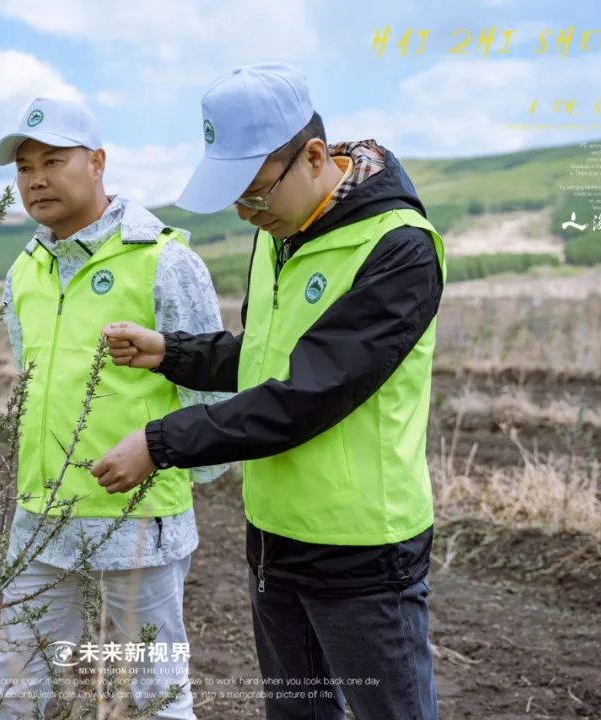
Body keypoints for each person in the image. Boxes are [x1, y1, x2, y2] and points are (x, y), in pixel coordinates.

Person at [93, 63, 444, 720]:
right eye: (235, 200)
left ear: (314, 156)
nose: (246, 214)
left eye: (254, 195)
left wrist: (160, 441)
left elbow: (307, 394)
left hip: (364, 548)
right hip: (275, 533)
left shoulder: (397, 247)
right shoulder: (280, 233)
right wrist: (175, 353)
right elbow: (266, 361)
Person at [0, 98, 230, 720]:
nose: (35, 178)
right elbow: (31, 379)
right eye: (23, 167)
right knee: (13, 689)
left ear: (96, 162)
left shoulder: (164, 259)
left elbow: (213, 390)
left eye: (53, 160)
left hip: (137, 517)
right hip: (39, 514)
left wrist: (183, 475)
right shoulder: (24, 270)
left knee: (149, 694)